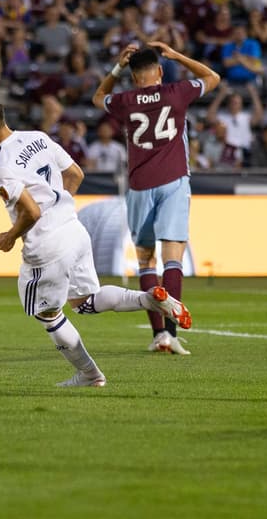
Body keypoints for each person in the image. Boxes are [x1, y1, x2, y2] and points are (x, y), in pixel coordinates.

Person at [0, 96, 189, 387]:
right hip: (74, 230)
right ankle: (150, 300)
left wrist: (10, 236)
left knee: (47, 314)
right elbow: (75, 174)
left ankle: (91, 375)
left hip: (47, 245)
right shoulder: (38, 138)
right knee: (84, 302)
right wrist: (62, 209)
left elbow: (31, 211)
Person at [93, 42, 219, 355]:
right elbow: (213, 77)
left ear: (134, 77)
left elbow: (98, 97)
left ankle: (157, 333)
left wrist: (116, 68)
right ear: (160, 71)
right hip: (173, 181)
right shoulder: (177, 92)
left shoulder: (125, 101)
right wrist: (177, 55)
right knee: (173, 256)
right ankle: (171, 334)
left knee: (146, 260)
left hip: (139, 187)